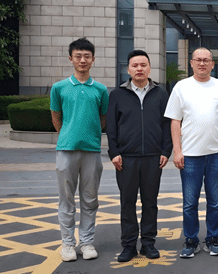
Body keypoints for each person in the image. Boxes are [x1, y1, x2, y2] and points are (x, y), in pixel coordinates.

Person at [164, 47, 218, 258]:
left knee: (216, 201)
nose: (202, 63)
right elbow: (175, 121)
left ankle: (212, 239)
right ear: (191, 63)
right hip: (190, 155)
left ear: (212, 64)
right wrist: (177, 151)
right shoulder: (181, 87)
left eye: (206, 60)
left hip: (216, 154)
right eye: (198, 60)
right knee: (189, 203)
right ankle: (191, 240)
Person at [107, 50, 172, 262]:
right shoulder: (117, 95)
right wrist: (114, 152)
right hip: (126, 159)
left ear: (149, 68)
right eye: (135, 65)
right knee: (127, 203)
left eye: (143, 65)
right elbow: (111, 127)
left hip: (153, 157)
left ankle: (148, 243)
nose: (139, 69)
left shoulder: (161, 94)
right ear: (128, 69)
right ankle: (128, 245)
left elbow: (167, 125)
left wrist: (166, 151)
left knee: (150, 202)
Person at [50, 37, 109, 262]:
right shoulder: (59, 88)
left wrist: (89, 135)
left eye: (86, 56)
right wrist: (68, 134)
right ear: (70, 58)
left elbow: (102, 119)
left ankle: (86, 242)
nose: (82, 60)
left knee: (90, 199)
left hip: (92, 150)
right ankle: (67, 243)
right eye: (78, 56)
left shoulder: (101, 90)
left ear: (93, 59)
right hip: (66, 149)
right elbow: (56, 117)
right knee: (66, 199)